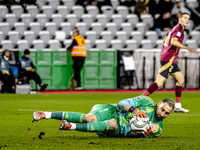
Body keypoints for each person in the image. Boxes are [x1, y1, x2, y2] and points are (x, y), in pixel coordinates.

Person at [33, 95, 175, 138]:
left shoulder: (157, 129)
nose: (162, 113)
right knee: (89, 119)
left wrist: (137, 131)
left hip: (120, 127)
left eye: (166, 113)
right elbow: (122, 103)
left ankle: (70, 126)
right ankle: (45, 114)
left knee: (113, 124)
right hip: (114, 110)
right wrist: (134, 110)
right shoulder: (147, 101)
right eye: (162, 109)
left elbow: (131, 135)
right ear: (159, 103)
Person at [142, 12, 197, 113]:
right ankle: (140, 100)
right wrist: (187, 48)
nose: (187, 20)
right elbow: (173, 42)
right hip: (169, 59)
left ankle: (178, 106)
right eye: (185, 18)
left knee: (180, 79)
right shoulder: (179, 29)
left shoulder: (173, 29)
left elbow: (165, 40)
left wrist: (172, 52)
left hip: (170, 58)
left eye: (188, 19)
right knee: (159, 82)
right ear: (179, 19)